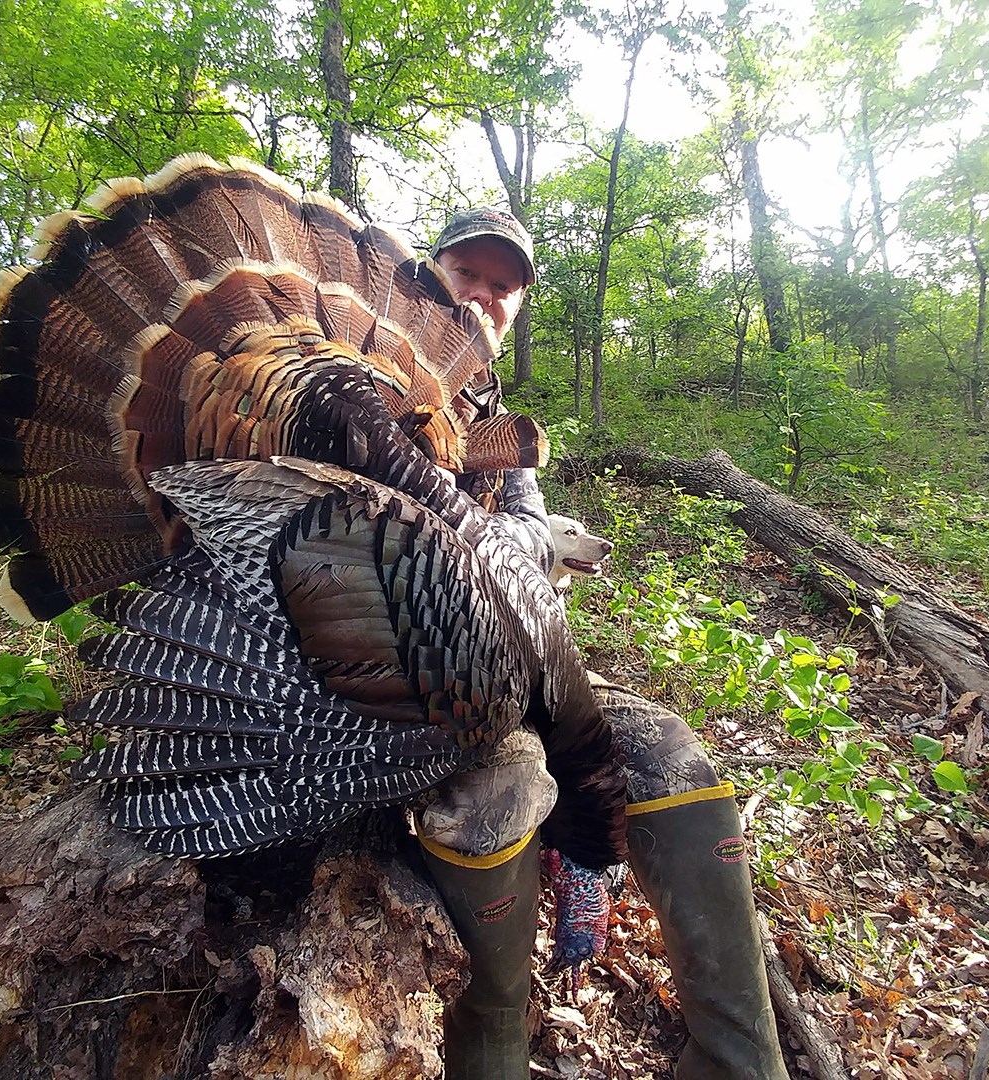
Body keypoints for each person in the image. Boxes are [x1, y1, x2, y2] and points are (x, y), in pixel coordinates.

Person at [412, 210, 791, 1080]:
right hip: (380, 701)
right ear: (426, 275)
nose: (484, 296)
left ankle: (738, 1063)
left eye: (503, 288)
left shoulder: (497, 428)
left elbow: (527, 549)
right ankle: (495, 1046)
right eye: (467, 273)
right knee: (500, 790)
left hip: (503, 674)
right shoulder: (361, 383)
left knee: (668, 753)